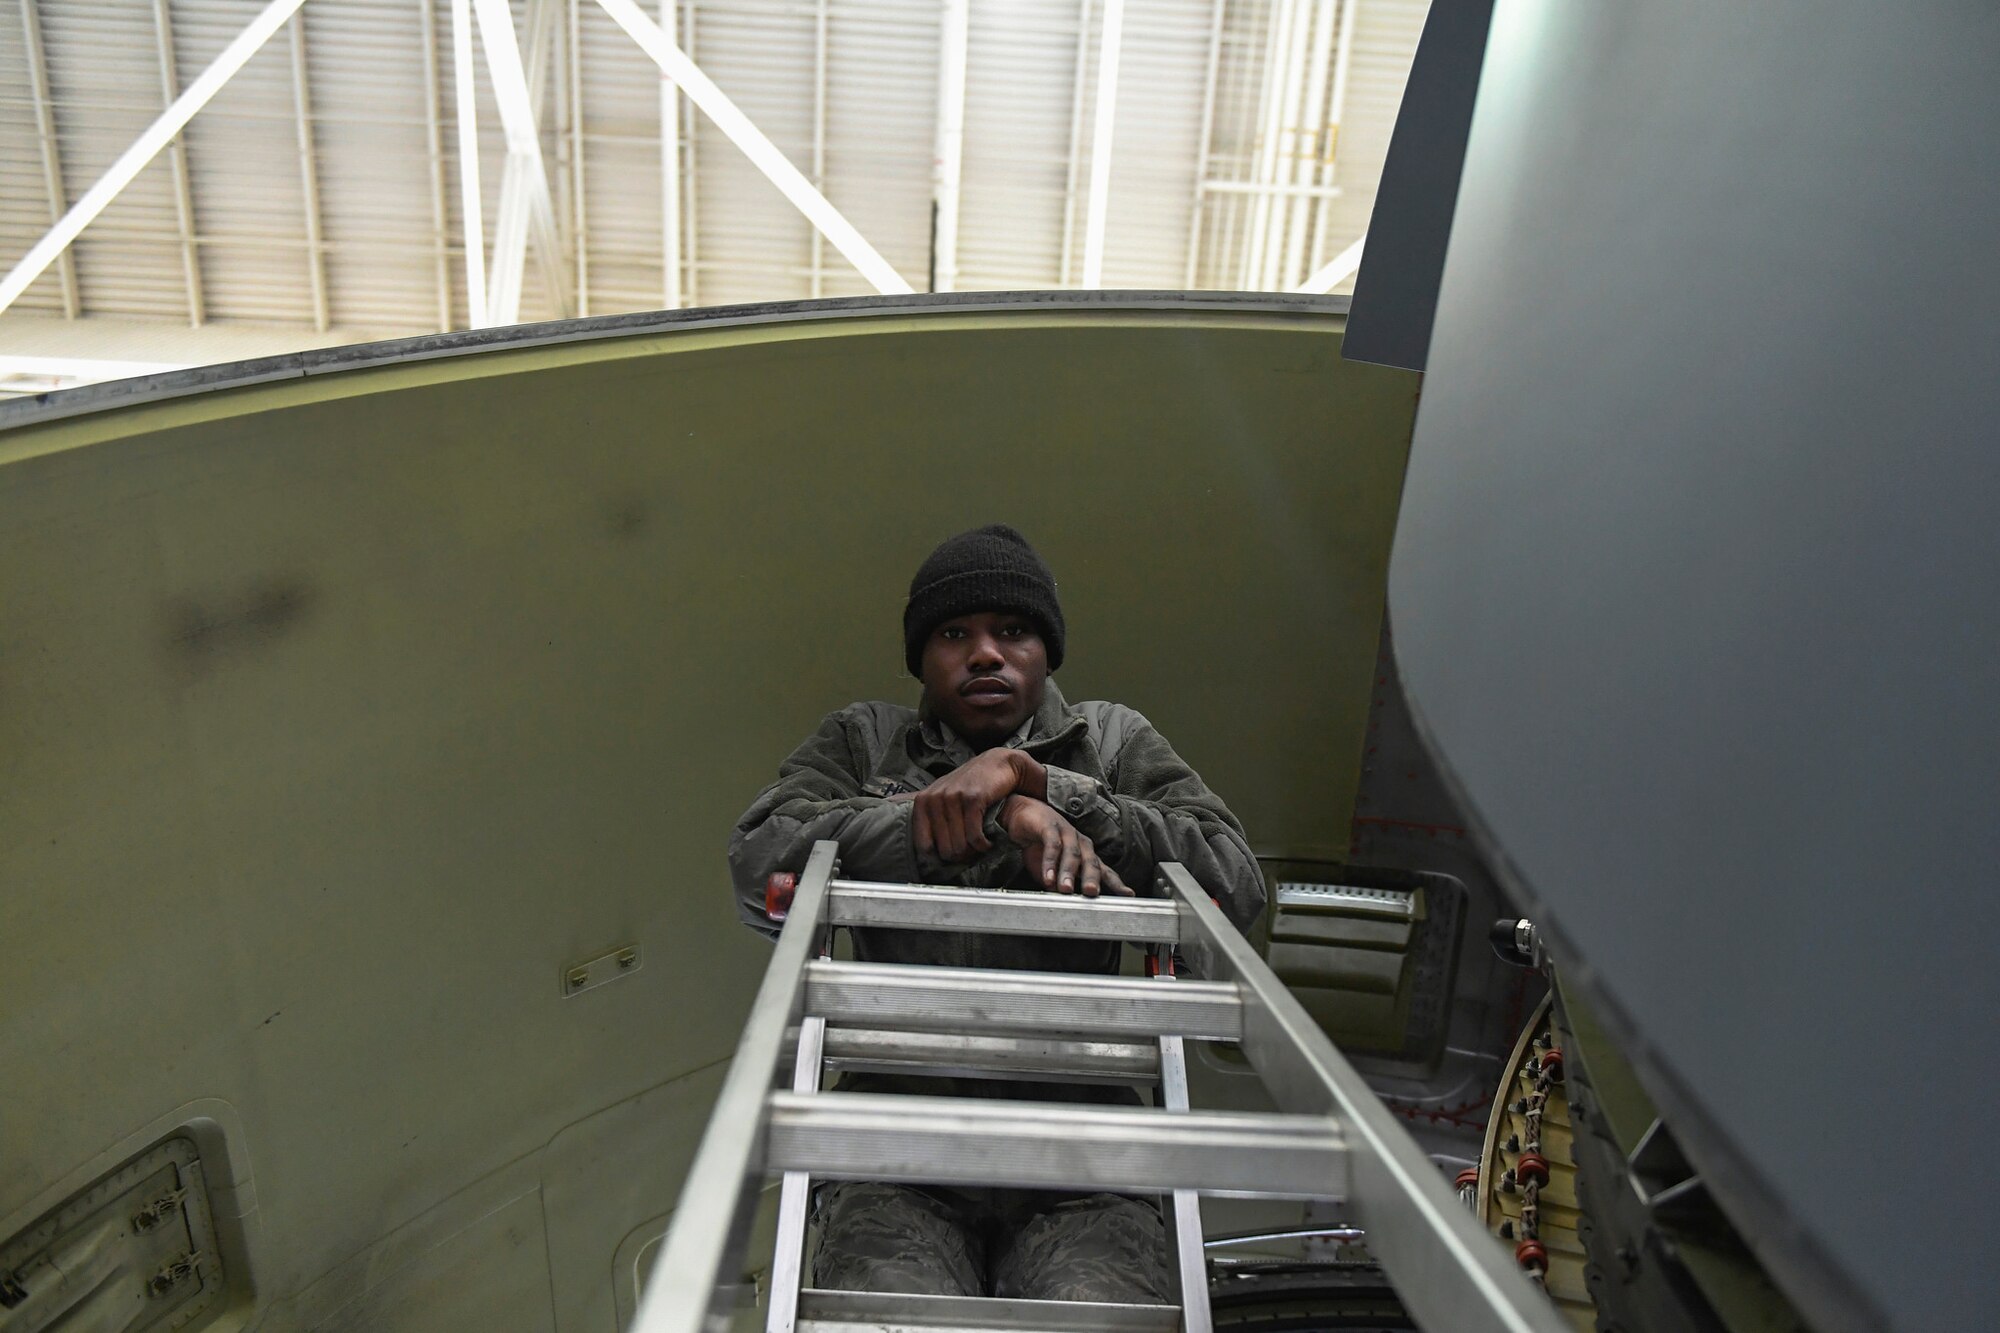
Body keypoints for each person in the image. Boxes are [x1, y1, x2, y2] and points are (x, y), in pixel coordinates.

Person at [728, 523, 1265, 1303]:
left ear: (1047, 650)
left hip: (1091, 1166)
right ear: (922, 656)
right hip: (897, 1160)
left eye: (1011, 630)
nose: (985, 653)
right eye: (955, 633)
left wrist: (1045, 785)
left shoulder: (1112, 741)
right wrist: (989, 817)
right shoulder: (863, 740)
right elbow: (759, 859)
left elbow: (1233, 882)